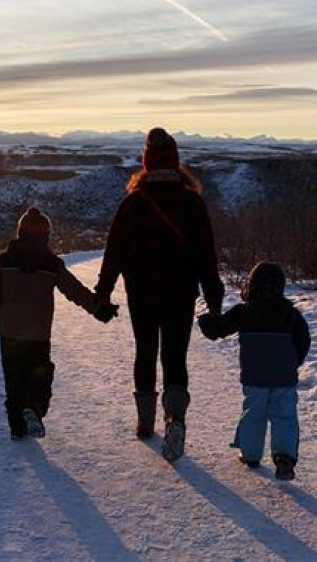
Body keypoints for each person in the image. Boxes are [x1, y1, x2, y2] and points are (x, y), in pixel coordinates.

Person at [95, 127, 224, 462]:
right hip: (180, 293)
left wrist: (103, 294)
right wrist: (214, 300)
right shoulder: (192, 202)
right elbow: (206, 256)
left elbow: (114, 254)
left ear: (146, 162)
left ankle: (145, 421)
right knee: (175, 357)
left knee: (145, 352)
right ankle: (175, 419)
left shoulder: (133, 203)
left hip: (142, 293)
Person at [0, 206, 119, 440]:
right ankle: (34, 408)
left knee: (13, 380)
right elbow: (75, 290)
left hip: (10, 332)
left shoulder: (4, 260)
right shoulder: (51, 263)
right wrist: (98, 308)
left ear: (19, 232)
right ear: (46, 235)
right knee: (40, 376)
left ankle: (17, 428)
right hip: (38, 334)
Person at [197, 261, 310, 481]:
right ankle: (284, 458)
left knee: (254, 413)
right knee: (285, 415)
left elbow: (217, 329)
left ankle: (250, 454)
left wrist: (205, 320)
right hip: (283, 377)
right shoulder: (291, 314)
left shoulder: (244, 312)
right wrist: (293, 363)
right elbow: (303, 340)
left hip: (254, 375)